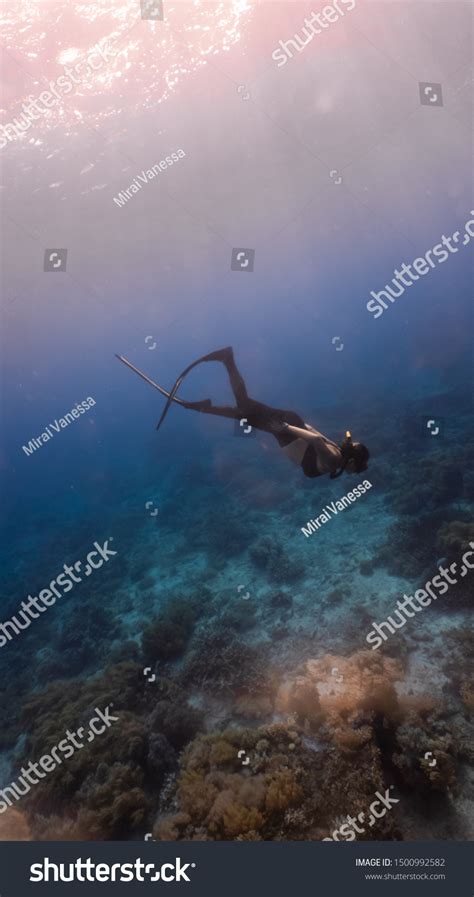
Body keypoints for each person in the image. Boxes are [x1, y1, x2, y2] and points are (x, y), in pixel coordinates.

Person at [116, 347, 369, 479]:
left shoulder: (336, 455)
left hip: (286, 430)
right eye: (358, 469)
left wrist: (286, 430)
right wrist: (286, 428)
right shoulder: (335, 460)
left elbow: (315, 432)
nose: (356, 473)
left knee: (242, 413)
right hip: (286, 429)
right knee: (243, 405)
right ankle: (226, 359)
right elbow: (314, 439)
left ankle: (197, 405)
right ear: (352, 462)